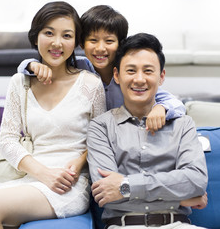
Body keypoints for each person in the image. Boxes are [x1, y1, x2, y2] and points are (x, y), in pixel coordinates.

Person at [0, 1, 106, 229]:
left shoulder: (90, 84)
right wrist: (43, 173)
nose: (57, 42)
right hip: (32, 176)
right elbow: (7, 140)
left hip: (68, 184)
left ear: (75, 41)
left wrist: (77, 165)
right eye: (49, 33)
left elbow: (101, 138)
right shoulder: (21, 81)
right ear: (36, 36)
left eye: (66, 35)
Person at [87, 33, 208, 229]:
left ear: (161, 77)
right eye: (131, 71)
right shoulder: (101, 127)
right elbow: (107, 194)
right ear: (117, 75)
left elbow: (195, 181)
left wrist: (126, 186)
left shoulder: (183, 124)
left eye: (148, 71)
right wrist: (181, 198)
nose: (140, 79)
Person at [17, 5, 186, 135]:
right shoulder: (79, 66)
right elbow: (27, 67)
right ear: (82, 43)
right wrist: (32, 65)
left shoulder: (129, 74)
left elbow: (176, 103)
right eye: (93, 40)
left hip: (127, 137)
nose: (100, 48)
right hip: (92, 140)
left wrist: (161, 108)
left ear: (120, 44)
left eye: (109, 41)